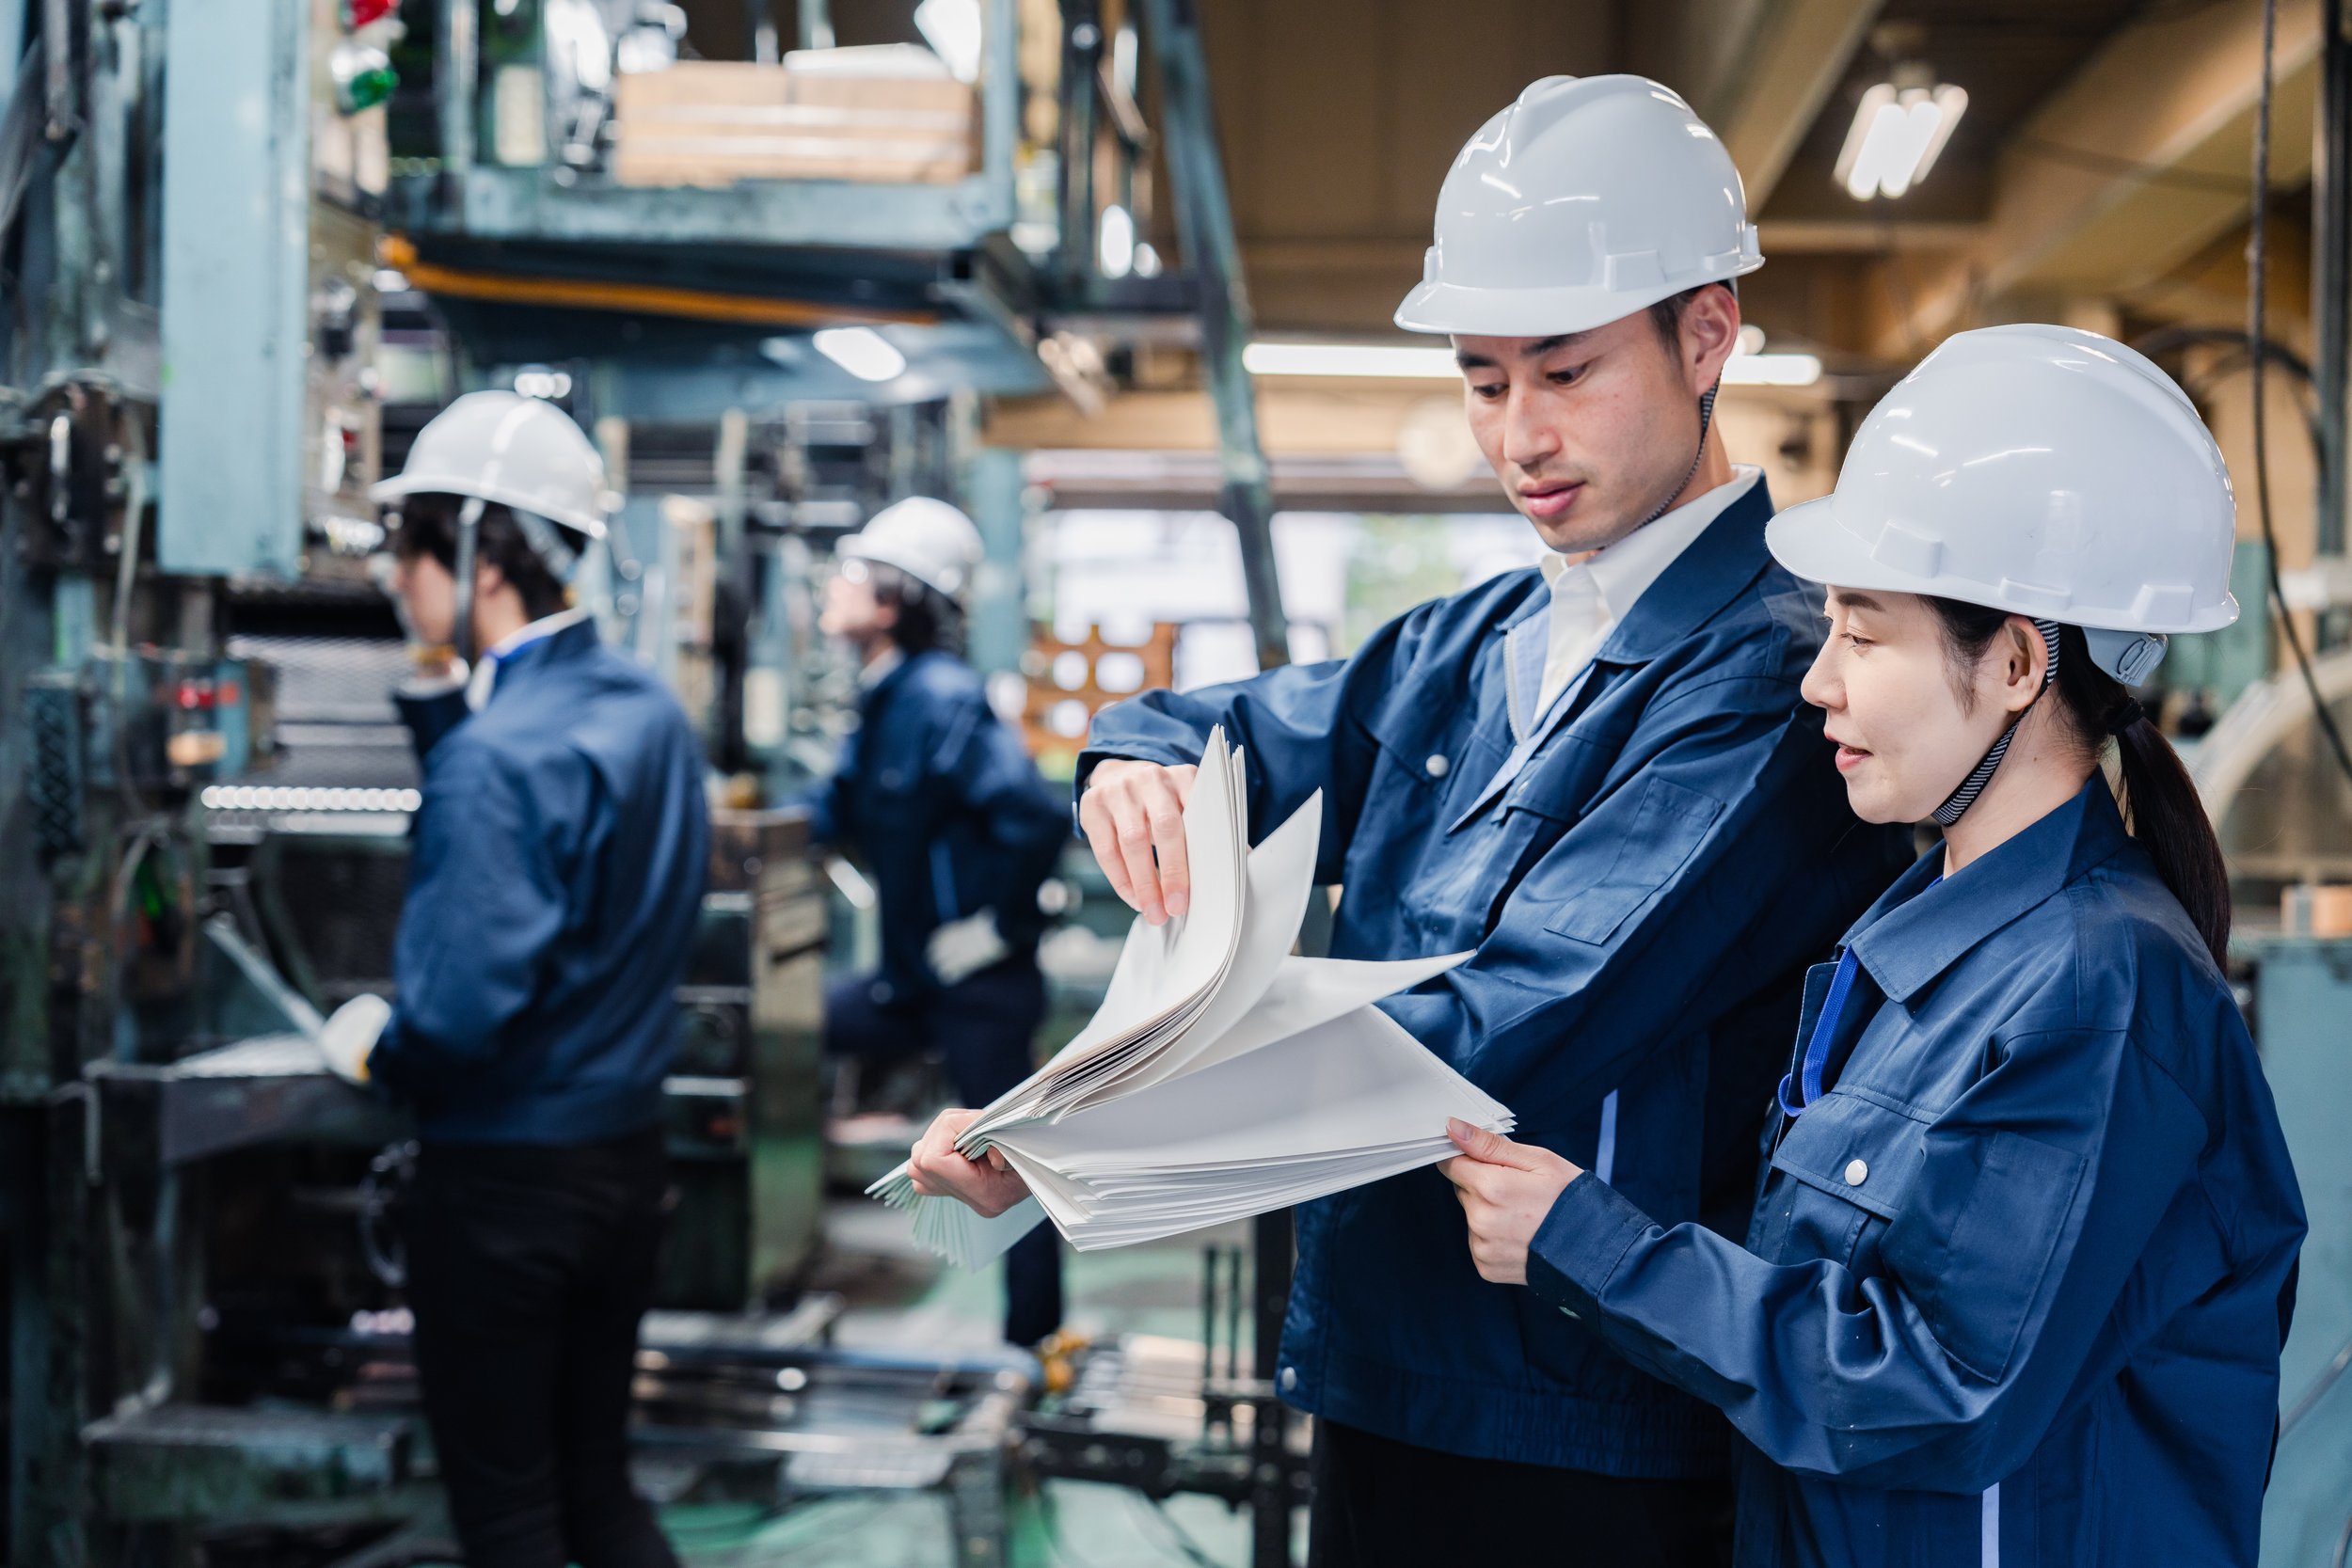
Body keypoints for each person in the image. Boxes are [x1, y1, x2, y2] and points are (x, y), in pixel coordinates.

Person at [907, 75, 1912, 1563]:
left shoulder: (1773, 675)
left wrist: (1088, 1127)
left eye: (1564, 373)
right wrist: (1130, 756)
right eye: (1483, 377)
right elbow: (1222, 723)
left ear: (1708, 336)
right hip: (1386, 1365)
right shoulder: (1478, 637)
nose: (1520, 434)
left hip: (1584, 1416)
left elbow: (1516, 1015)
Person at [1440, 325, 2307, 1566]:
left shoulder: (2098, 991)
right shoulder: (1916, 951)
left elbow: (1934, 1387)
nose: (1819, 684)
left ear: (2014, 660)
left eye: (1865, 631)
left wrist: (1590, 1242)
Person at [317, 390, 710, 1568]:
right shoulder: (647, 710)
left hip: (502, 1194)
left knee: (509, 1518)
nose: (395, 576)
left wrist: (376, 1047)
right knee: (599, 1490)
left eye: (409, 543)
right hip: (625, 1166)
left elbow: (457, 1014)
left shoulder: (498, 756)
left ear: (482, 553)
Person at [808, 497, 1071, 1347]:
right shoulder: (884, 695)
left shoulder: (944, 698)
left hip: (976, 984)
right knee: (787, 1028)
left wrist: (996, 927)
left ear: (891, 600)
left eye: (851, 571)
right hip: (912, 978)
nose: (831, 585)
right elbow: (835, 804)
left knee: (1013, 1159)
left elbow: (1032, 816)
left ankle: (1033, 1345)